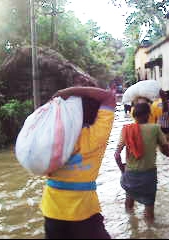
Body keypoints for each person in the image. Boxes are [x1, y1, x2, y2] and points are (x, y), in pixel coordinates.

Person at [41, 86, 116, 239]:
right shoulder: (96, 135)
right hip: (83, 212)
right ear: (95, 113)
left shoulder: (53, 136)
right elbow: (109, 97)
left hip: (52, 211)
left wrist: (61, 95)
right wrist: (67, 92)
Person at [114, 103, 169, 224]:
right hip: (148, 176)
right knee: (149, 207)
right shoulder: (155, 128)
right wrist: (163, 148)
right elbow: (167, 152)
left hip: (130, 175)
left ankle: (132, 227)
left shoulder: (126, 129)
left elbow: (116, 155)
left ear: (134, 115)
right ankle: (150, 231)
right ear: (147, 115)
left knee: (129, 201)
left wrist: (123, 171)